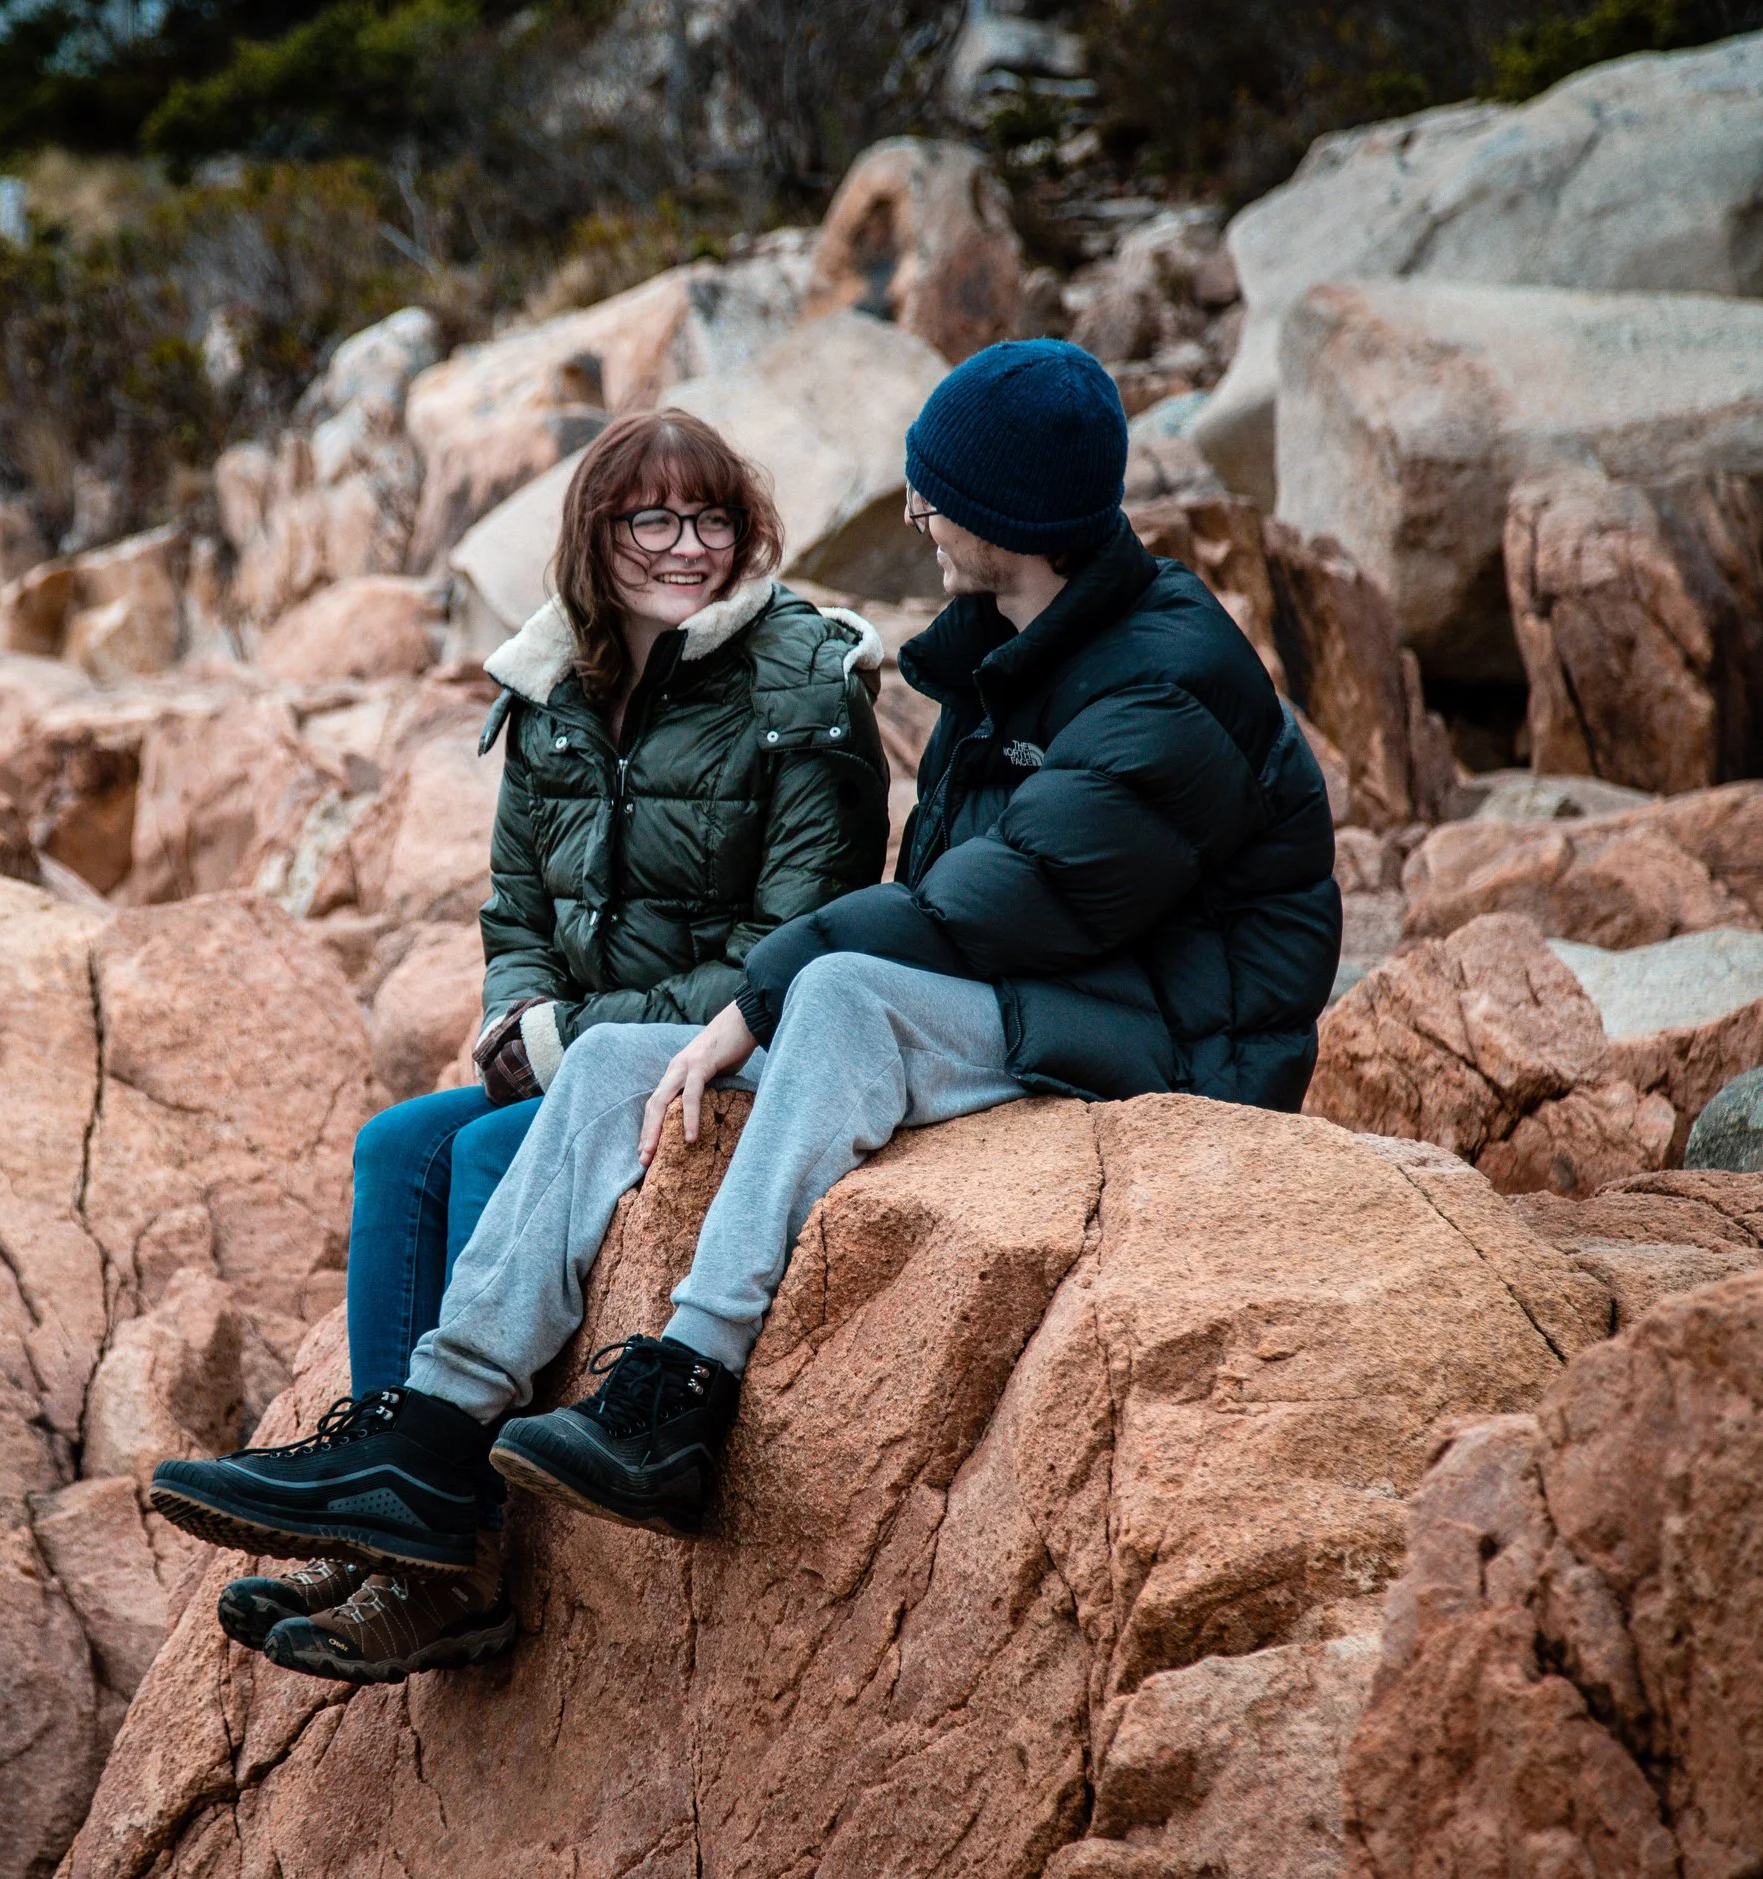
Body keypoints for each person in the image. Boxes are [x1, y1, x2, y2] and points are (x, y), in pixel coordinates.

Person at [152, 338, 1341, 1675]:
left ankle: (685, 1387)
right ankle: (429, 1439)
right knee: (603, 1073)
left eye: (934, 490)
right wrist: (564, 1016)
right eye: (644, 517)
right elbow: (534, 902)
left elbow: (1009, 898)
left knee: (827, 990)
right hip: (1054, 992)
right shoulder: (1016, 645)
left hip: (1176, 1036)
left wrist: (756, 1003)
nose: (909, 513)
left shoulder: (1160, 674)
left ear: (1009, 514)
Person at [204, 407, 892, 1681]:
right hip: (586, 1046)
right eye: (654, 519)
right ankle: (390, 1512)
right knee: (399, 1145)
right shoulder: (552, 688)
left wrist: (568, 1038)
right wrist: (520, 1010)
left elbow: (793, 938)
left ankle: (449, 1556)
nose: (688, 545)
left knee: (494, 1155)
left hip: (737, 1048)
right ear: (596, 534)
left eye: (713, 519)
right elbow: (513, 905)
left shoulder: (806, 680)